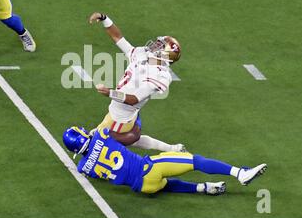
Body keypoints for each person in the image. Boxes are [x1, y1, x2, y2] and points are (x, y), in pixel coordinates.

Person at [63, 126, 267, 195]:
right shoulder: (101, 135)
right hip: (149, 169)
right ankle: (240, 173)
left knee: (166, 184)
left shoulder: (83, 168)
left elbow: (96, 163)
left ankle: (204, 188)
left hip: (142, 187)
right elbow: (131, 136)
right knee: (196, 161)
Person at [88, 12, 184, 152]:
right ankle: (173, 149)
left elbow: (133, 99)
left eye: (160, 45)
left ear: (165, 56)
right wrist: (104, 18)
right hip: (122, 112)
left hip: (121, 118)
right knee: (135, 141)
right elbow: (118, 38)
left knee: (91, 142)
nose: (155, 44)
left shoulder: (160, 76)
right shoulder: (142, 54)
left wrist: (110, 93)